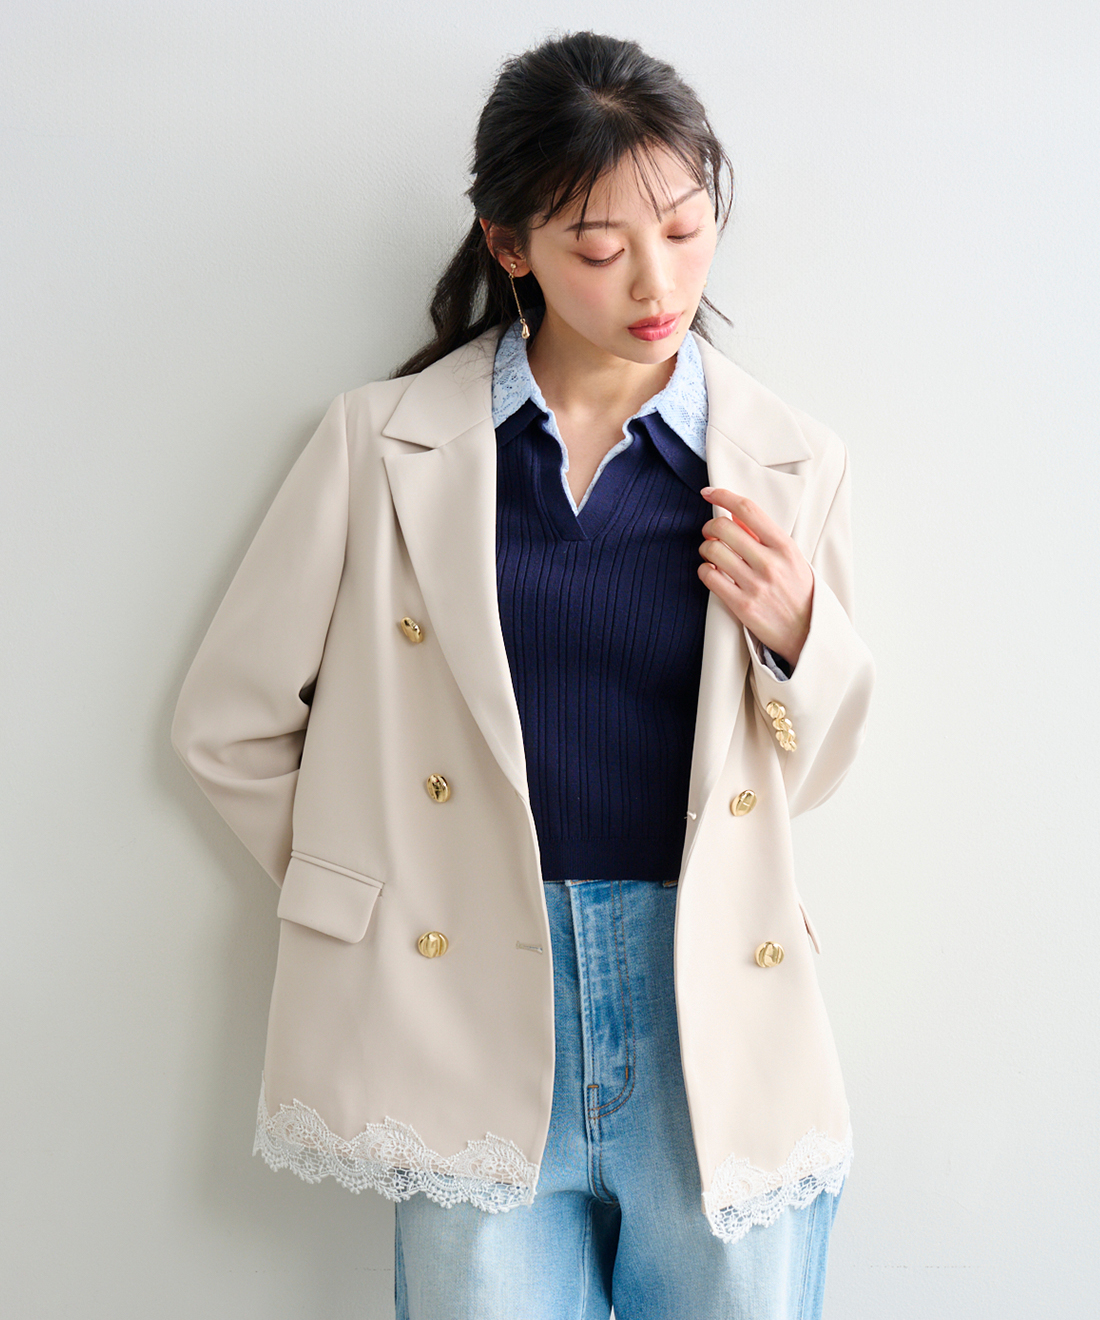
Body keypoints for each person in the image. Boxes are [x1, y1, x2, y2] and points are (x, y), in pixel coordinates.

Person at [171, 30, 875, 1320]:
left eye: (685, 227)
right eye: (600, 248)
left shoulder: (788, 462)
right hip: (466, 998)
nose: (657, 280)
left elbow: (814, 774)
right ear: (511, 246)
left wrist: (799, 635)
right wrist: (376, 891)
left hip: (709, 998)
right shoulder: (381, 445)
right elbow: (230, 723)